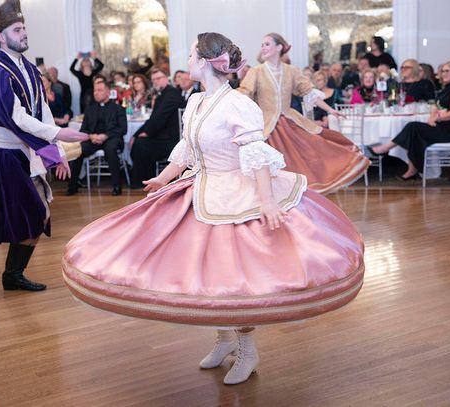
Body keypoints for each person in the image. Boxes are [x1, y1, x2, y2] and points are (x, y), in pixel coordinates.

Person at [62, 32, 365, 386]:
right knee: (210, 278)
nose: (187, 60)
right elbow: (187, 149)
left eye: (192, 55)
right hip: (200, 189)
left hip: (237, 194)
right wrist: (164, 177)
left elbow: (256, 156)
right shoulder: (195, 101)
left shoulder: (237, 104)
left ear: (205, 62)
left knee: (235, 278)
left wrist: (267, 201)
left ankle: (247, 350)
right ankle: (224, 340)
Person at [0, 0, 88, 290]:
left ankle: (11, 273)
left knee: (38, 215)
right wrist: (58, 135)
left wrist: (56, 152)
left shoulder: (25, 66)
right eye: (17, 29)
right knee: (32, 213)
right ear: (1, 37)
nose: (25, 33)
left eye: (24, 27)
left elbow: (41, 109)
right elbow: (15, 117)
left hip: (18, 152)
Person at [238, 33, 368, 193]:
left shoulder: (292, 71)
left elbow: (308, 92)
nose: (263, 48)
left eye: (267, 44)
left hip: (290, 121)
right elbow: (244, 93)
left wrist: (330, 110)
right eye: (262, 45)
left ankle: (303, 191)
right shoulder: (256, 71)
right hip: (266, 126)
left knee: (311, 150)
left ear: (279, 47)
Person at [370, 60, 450, 180]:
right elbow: (435, 106)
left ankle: (387, 148)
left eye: (447, 71)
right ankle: (412, 169)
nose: (443, 74)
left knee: (413, 127)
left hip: (449, 131)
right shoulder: (446, 89)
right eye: (442, 71)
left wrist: (438, 117)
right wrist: (432, 117)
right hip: (439, 126)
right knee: (414, 134)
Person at [66, 79, 127, 196]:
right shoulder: (90, 109)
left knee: (111, 149)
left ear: (108, 92)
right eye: (95, 91)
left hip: (112, 138)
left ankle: (117, 186)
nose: (96, 93)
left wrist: (106, 135)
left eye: (100, 90)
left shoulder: (118, 108)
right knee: (77, 150)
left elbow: (123, 129)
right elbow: (83, 129)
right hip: (93, 139)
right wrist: (91, 136)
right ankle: (72, 185)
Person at [128, 68, 184, 188]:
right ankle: (144, 179)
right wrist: (135, 134)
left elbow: (160, 118)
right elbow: (153, 118)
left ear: (166, 79)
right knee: (138, 141)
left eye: (158, 78)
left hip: (171, 139)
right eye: (153, 80)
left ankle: (143, 181)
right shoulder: (162, 94)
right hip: (162, 135)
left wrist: (147, 133)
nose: (155, 82)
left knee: (141, 144)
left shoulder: (172, 93)